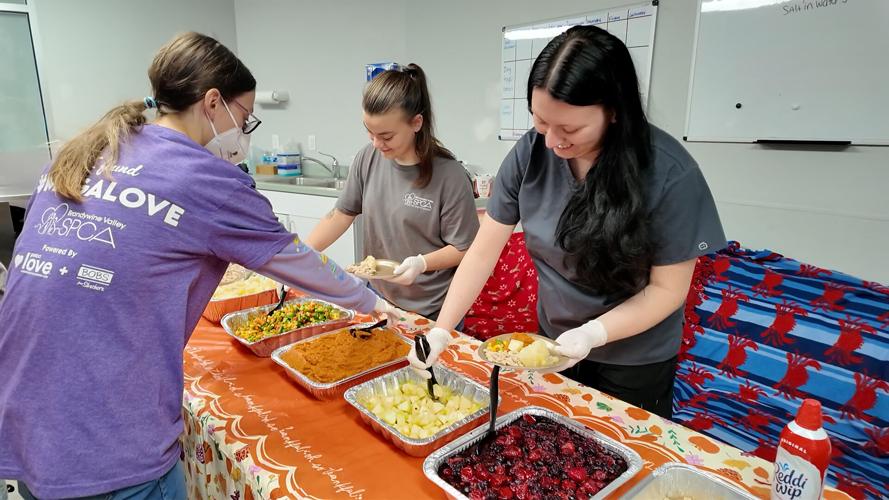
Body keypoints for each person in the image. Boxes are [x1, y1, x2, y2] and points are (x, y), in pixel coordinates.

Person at [0, 32, 399, 499]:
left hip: (23, 419)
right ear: (213, 102)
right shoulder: (205, 177)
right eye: (245, 119)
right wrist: (374, 302)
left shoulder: (90, 151)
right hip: (107, 443)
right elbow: (298, 262)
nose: (244, 136)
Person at [407, 25, 726, 419]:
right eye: (540, 122)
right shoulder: (531, 154)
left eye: (569, 129)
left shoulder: (669, 173)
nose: (551, 141)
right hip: (554, 342)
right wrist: (443, 330)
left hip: (634, 357)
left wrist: (594, 333)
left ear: (613, 111)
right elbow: (482, 251)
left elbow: (667, 290)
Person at [306, 64, 479, 323]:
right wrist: (300, 255)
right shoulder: (368, 157)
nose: (376, 144)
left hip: (431, 311)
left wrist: (421, 263)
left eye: (386, 136)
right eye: (370, 132)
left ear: (416, 123)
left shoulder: (450, 176)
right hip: (377, 298)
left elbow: (465, 248)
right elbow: (342, 213)